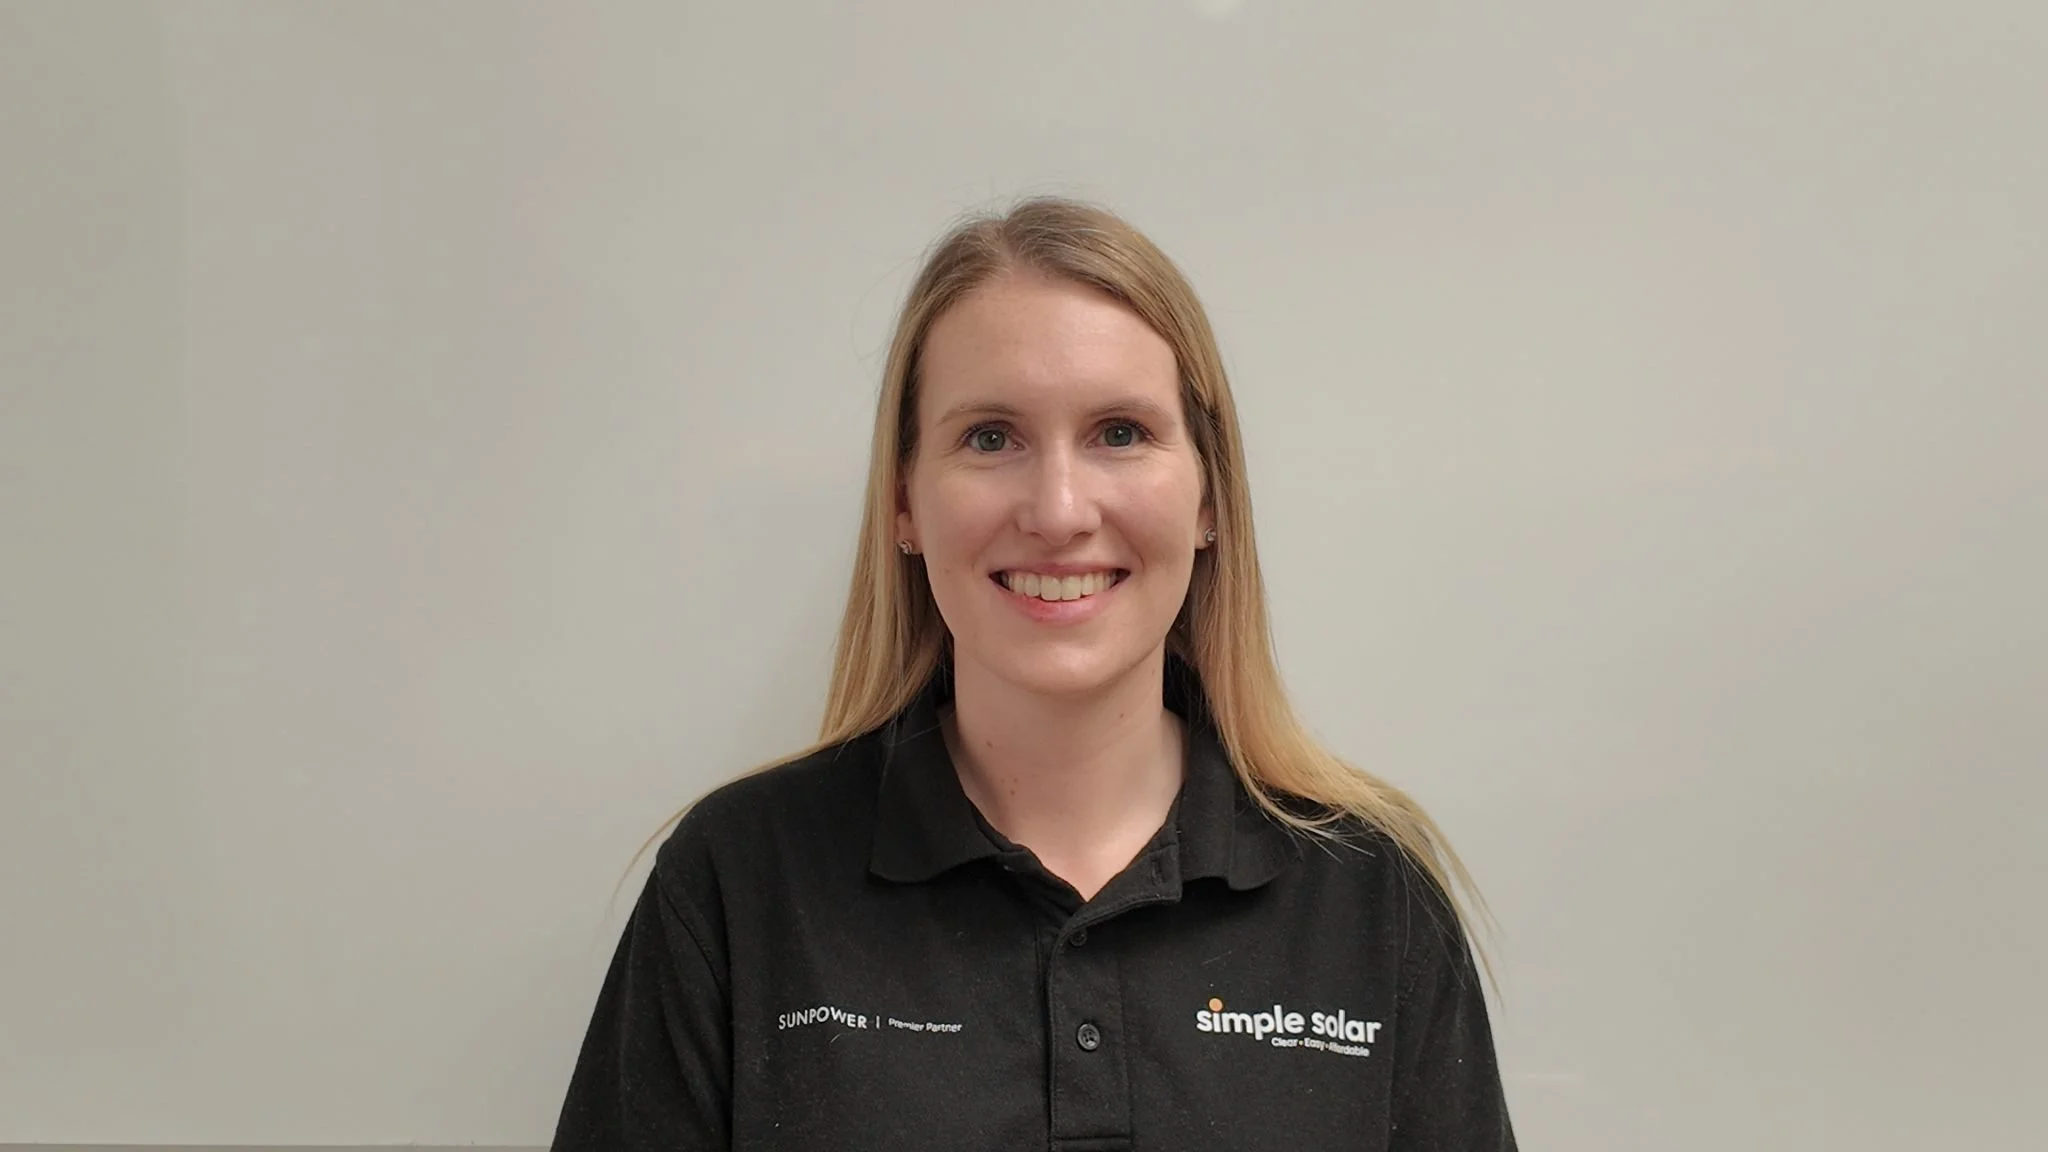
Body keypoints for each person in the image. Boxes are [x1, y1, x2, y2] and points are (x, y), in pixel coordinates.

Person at [550, 198, 1516, 1150]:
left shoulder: (1370, 899)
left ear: (1209, 498)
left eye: (1120, 433)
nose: (1058, 512)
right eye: (990, 437)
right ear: (904, 503)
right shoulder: (737, 881)